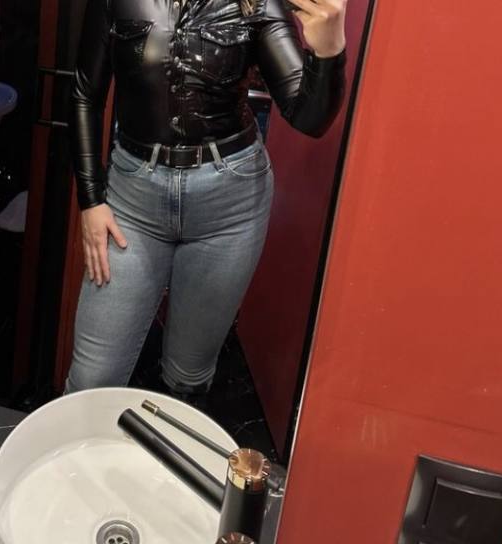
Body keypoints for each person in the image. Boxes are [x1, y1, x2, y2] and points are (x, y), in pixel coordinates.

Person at [64, 0, 348, 400]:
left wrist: (329, 51)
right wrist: (91, 200)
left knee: (186, 377)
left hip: (228, 206)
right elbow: (85, 94)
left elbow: (309, 118)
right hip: (133, 199)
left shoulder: (257, 3)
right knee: (91, 379)